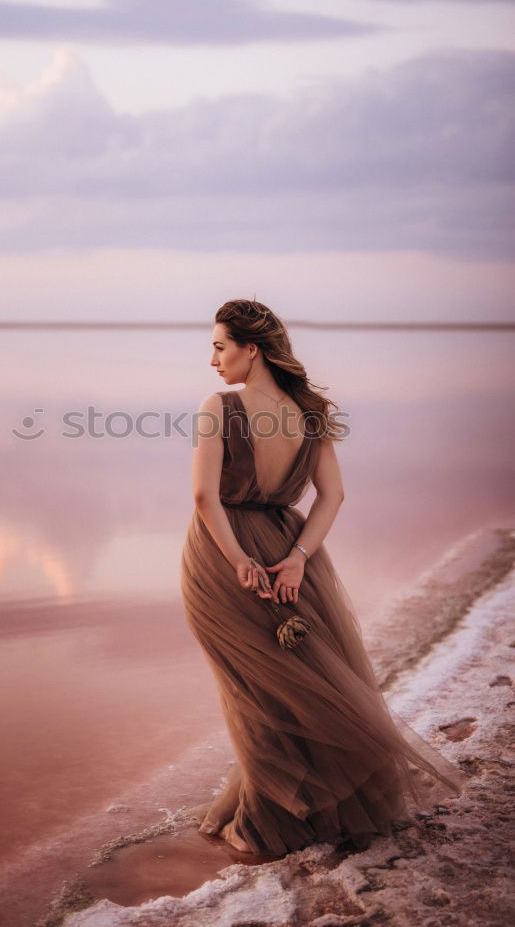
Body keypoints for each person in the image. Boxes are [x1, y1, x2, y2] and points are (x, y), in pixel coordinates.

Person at [180, 299, 466, 858]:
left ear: (250, 349)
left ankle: (267, 825)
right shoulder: (310, 411)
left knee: (251, 690)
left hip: (223, 553)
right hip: (290, 548)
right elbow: (332, 495)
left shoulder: (219, 406)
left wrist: (239, 559)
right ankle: (302, 810)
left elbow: (202, 497)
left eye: (219, 345)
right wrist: (298, 558)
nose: (212, 359)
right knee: (292, 682)